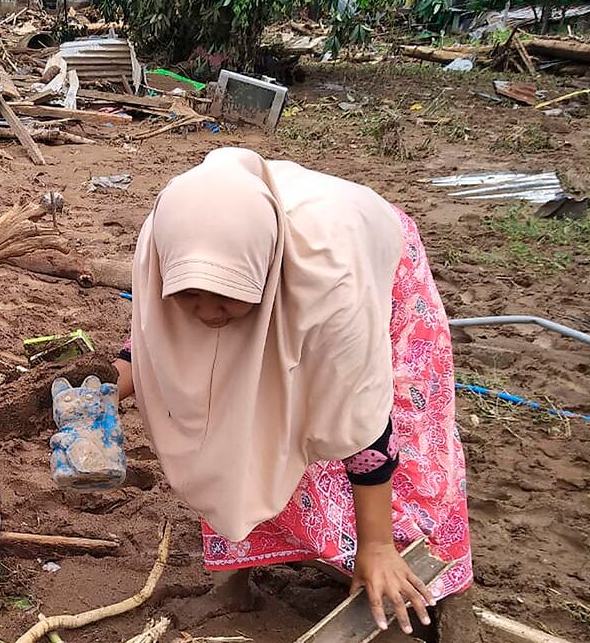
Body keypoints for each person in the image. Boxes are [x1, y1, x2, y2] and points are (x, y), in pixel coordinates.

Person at [113, 147, 471, 635]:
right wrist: (104, 391)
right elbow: (157, 336)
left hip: (368, 259)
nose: (209, 314)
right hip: (255, 252)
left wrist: (377, 545)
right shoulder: (166, 240)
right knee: (228, 414)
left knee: (401, 417)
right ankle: (238, 571)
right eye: (189, 295)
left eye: (226, 298)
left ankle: (388, 562)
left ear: (264, 274)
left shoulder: (336, 287)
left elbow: (365, 417)